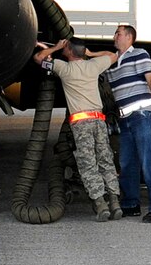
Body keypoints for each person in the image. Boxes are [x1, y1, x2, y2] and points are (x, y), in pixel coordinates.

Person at [37, 38, 119, 220]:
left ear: (70, 52)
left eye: (66, 48)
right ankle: (114, 201)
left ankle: (100, 204)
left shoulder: (64, 68)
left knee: (87, 163)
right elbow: (113, 55)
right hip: (99, 121)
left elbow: (39, 58)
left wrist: (56, 47)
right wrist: (91, 54)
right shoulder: (94, 66)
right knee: (105, 159)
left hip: (81, 124)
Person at [107, 23, 151, 221]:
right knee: (127, 163)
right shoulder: (112, 61)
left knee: (147, 160)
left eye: (118, 33)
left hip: (142, 115)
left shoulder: (140, 54)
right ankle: (131, 204)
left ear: (129, 37)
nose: (114, 37)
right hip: (124, 119)